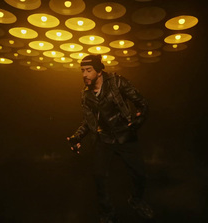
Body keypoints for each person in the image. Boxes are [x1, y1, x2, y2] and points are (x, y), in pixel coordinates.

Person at [67, 54, 154, 223]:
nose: (84, 74)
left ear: (99, 71)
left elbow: (142, 103)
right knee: (99, 177)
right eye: (82, 71)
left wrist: (136, 122)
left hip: (125, 136)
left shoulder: (117, 82)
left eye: (89, 70)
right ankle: (107, 213)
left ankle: (136, 201)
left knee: (140, 174)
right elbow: (88, 121)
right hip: (104, 139)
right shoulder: (86, 95)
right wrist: (76, 137)